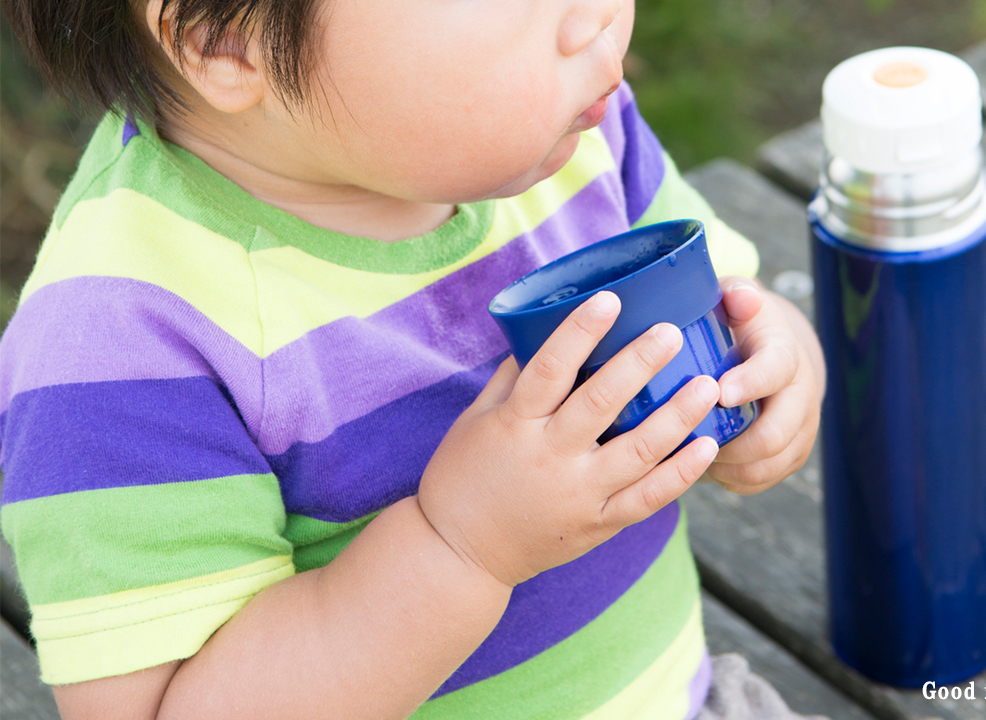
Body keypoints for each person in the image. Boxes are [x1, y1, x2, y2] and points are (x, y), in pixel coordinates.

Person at [0, 0, 826, 717]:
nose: (596, 16)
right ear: (224, 39)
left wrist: (773, 360)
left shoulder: (577, 134)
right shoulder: (124, 337)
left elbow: (735, 306)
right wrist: (463, 544)